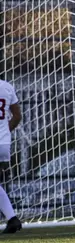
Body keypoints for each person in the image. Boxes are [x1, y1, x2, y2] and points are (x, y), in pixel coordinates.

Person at [0, 79, 22, 234]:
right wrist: (5, 132)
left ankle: (13, 219)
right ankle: (12, 219)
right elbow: (17, 116)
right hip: (3, 144)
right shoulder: (7, 86)